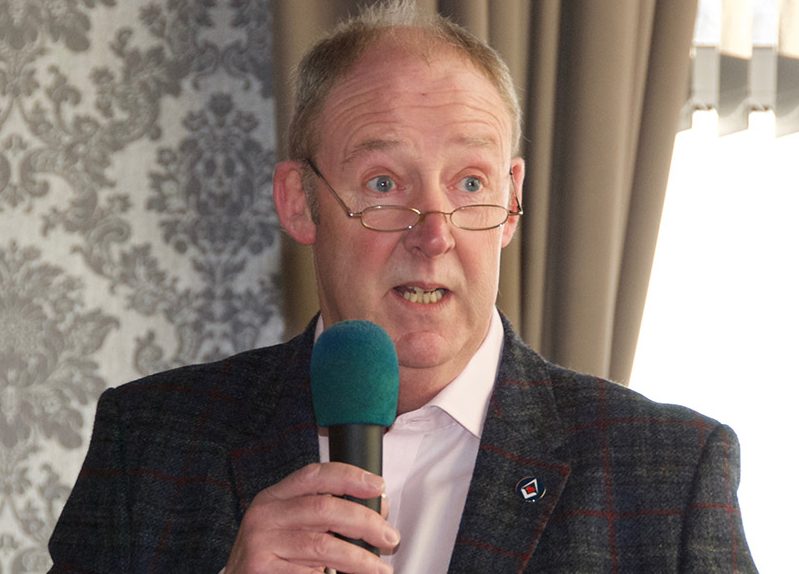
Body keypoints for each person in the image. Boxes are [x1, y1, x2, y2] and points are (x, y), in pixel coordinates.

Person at [49, 1, 757, 572]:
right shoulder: (150, 442)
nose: (434, 233)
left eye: (469, 184)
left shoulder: (668, 475)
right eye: (384, 184)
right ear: (300, 201)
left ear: (512, 201)